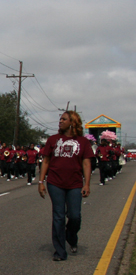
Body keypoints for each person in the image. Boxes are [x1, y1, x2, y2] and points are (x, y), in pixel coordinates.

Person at [38, 111, 93, 261]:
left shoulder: (83, 142)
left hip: (75, 184)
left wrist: (87, 184)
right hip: (55, 183)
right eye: (60, 119)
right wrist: (41, 182)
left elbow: (87, 163)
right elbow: (46, 161)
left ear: (72, 122)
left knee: (75, 216)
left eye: (64, 119)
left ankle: (71, 236)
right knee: (58, 216)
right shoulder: (53, 140)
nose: (60, 121)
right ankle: (60, 251)